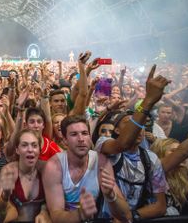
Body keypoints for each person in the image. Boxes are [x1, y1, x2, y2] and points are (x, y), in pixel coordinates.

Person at [94, 65, 171, 221]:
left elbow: (160, 206)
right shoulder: (104, 144)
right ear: (116, 131)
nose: (138, 129)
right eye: (128, 124)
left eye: (140, 125)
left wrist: (132, 217)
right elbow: (122, 144)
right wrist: (148, 100)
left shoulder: (151, 159)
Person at [42, 115, 131, 222]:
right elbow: (56, 216)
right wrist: (80, 214)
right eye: (74, 134)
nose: (81, 139)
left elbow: (126, 216)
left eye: (85, 133)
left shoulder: (101, 162)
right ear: (65, 140)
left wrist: (111, 196)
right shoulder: (54, 166)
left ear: (90, 137)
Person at [0, 129, 51, 222]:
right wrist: (5, 196)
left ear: (39, 150)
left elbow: (57, 206)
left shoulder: (46, 169)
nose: (30, 149)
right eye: (24, 145)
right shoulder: (9, 171)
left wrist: (44, 210)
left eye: (34, 145)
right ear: (17, 150)